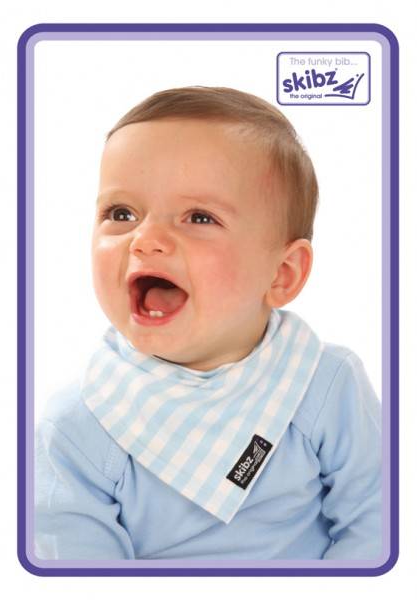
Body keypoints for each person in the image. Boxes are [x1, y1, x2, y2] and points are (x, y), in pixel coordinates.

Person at [34, 86, 381, 561]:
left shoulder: (322, 383)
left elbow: (381, 525)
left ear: (281, 274)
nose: (145, 239)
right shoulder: (79, 423)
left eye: (198, 217)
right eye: (121, 213)